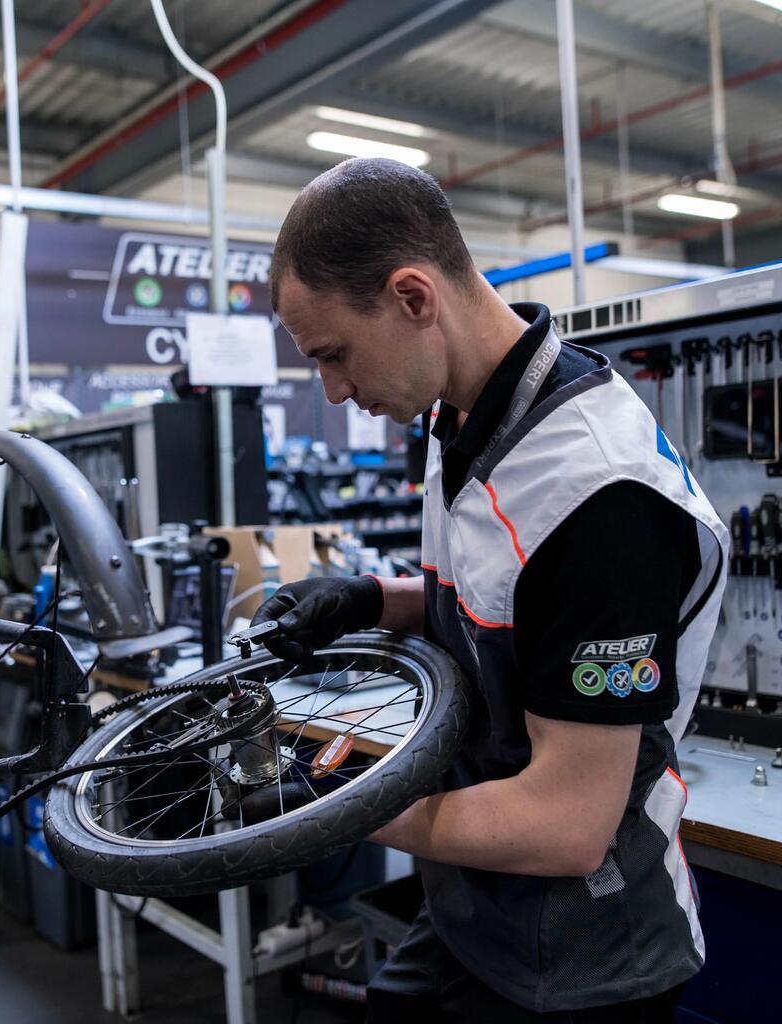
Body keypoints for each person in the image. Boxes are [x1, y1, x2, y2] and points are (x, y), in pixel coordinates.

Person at [253, 157, 728, 1022]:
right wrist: (368, 598)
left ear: (411, 297)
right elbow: (503, 598)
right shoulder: (465, 412)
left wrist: (332, 809)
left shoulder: (598, 495)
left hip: (583, 955)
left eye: (333, 355)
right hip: (477, 908)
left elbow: (566, 825)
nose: (333, 390)